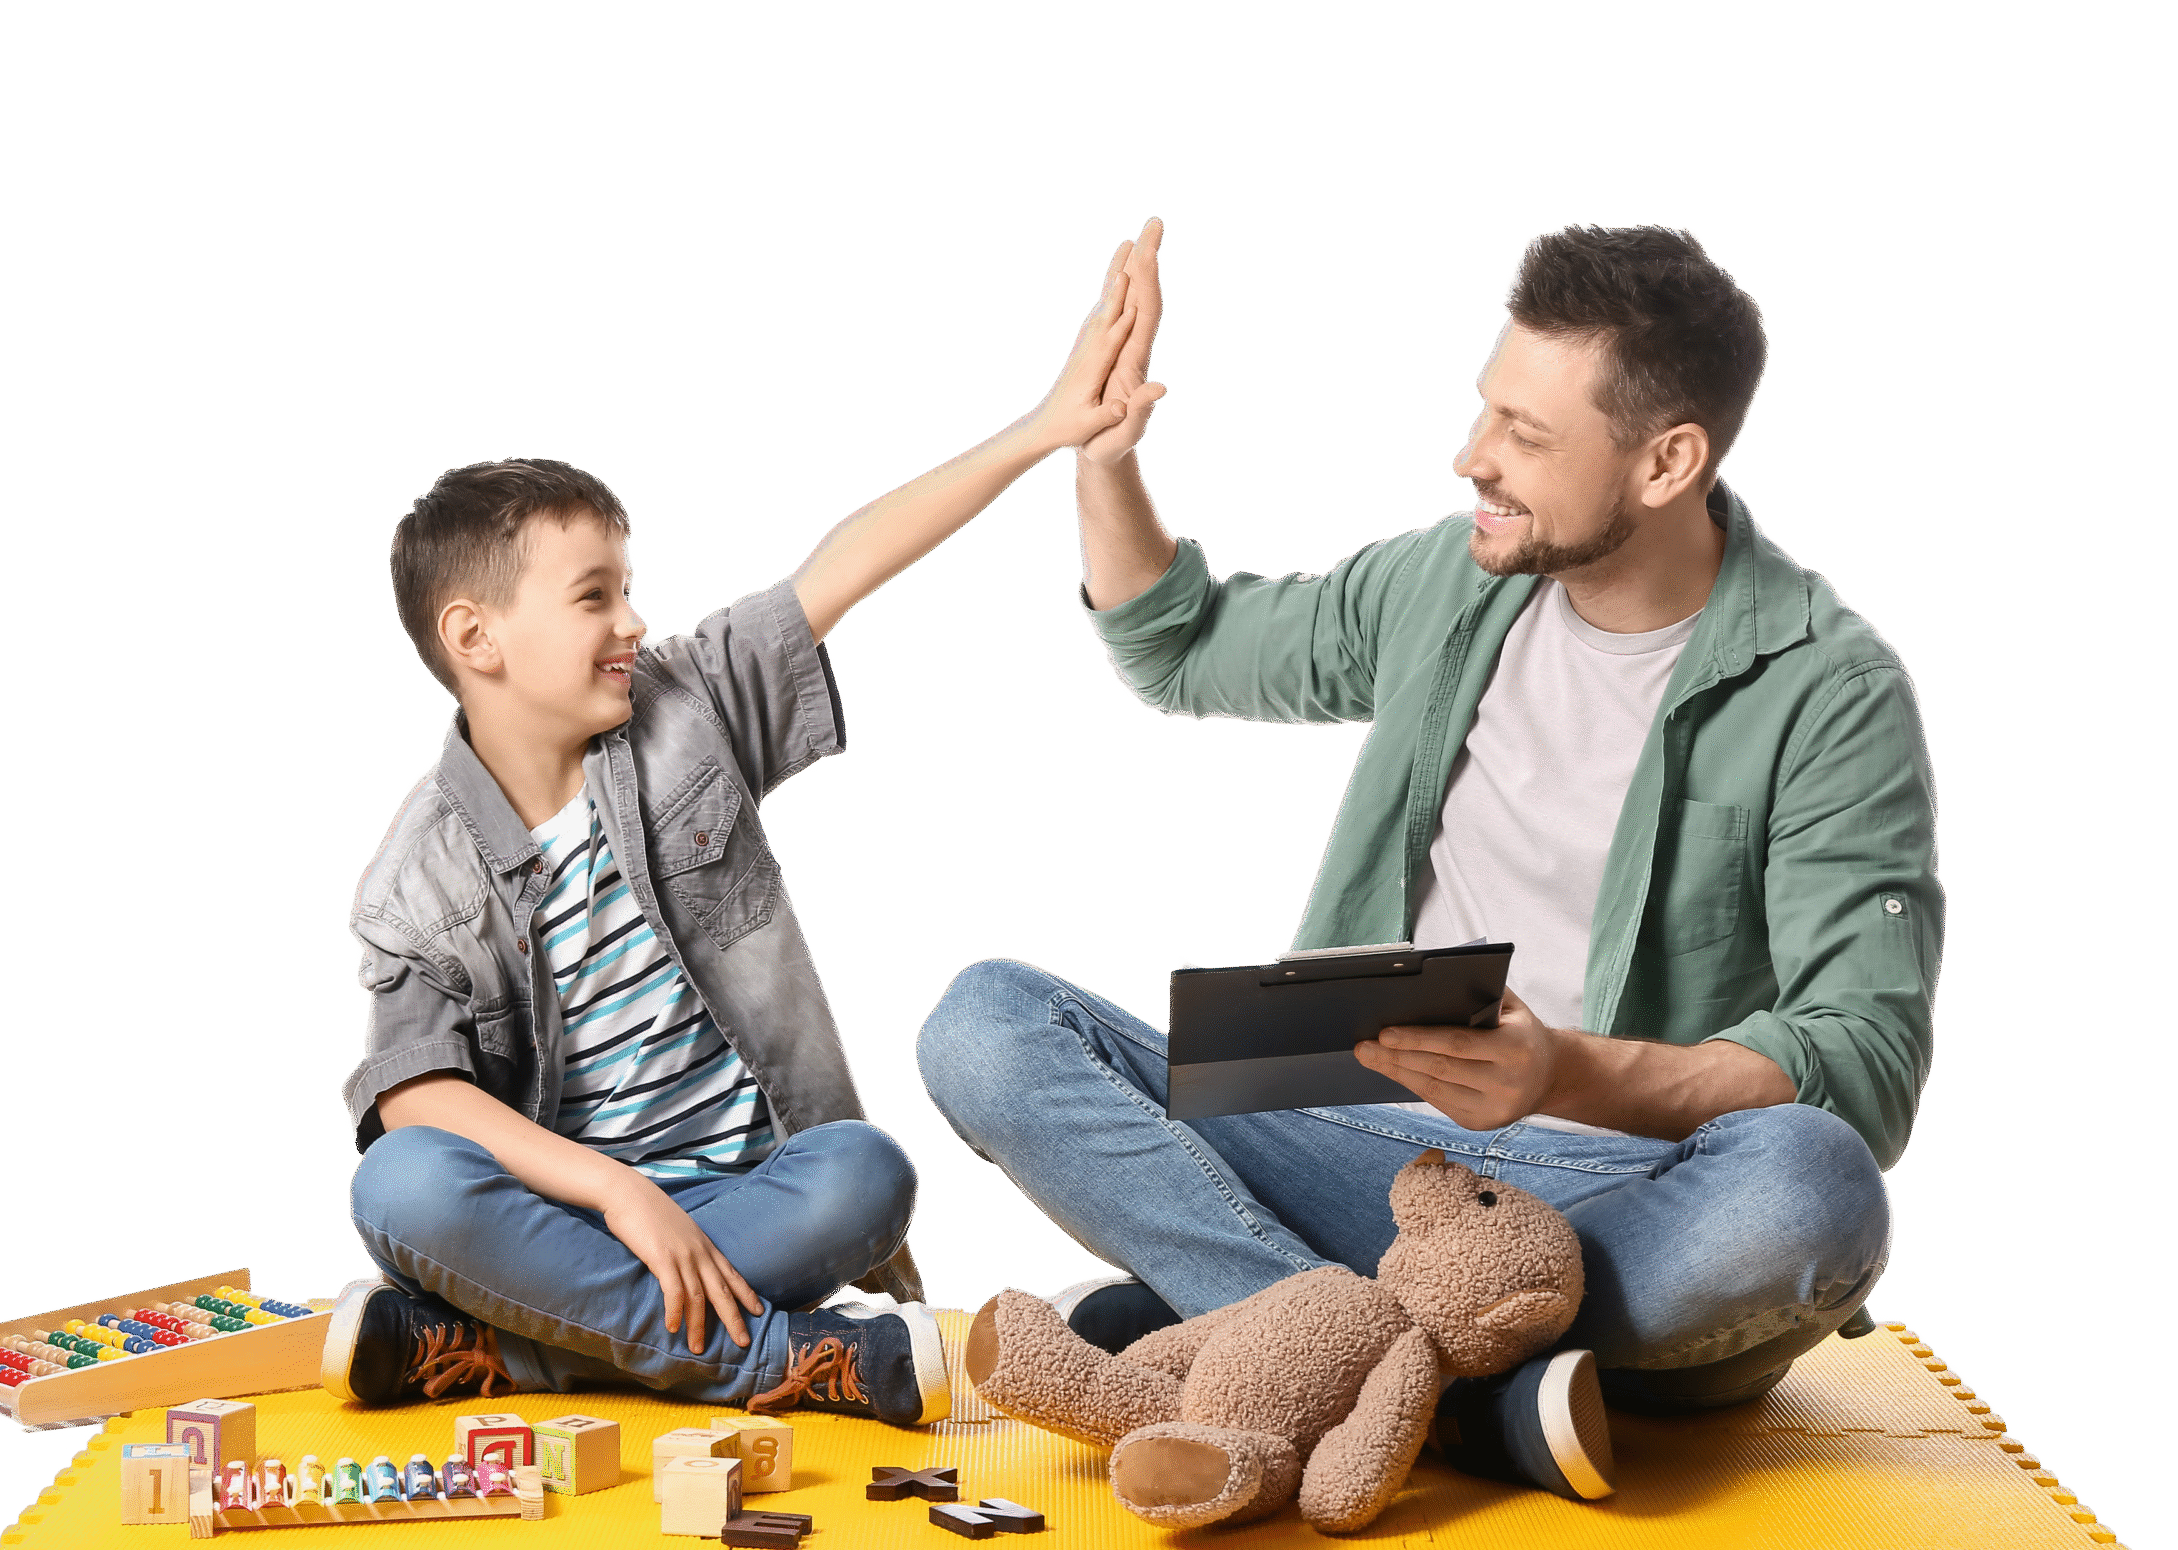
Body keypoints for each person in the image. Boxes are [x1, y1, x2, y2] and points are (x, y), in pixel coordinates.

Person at [917, 221, 1937, 1496]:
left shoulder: (1830, 686)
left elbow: (1864, 1060)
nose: (1472, 459)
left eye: (1527, 435)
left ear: (1669, 459)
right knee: (986, 1024)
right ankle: (1448, 1392)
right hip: (1362, 1146)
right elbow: (1180, 645)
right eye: (1483, 411)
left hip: (1608, 1191)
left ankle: (1253, 1328)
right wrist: (1104, 457)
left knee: (1815, 1188)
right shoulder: (1447, 582)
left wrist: (1560, 1068)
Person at [320, 227, 1169, 1426]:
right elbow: (417, 1100)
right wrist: (617, 1194)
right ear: (477, 639)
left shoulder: (685, 706)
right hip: (572, 1218)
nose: (634, 617)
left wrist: (1044, 426)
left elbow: (844, 562)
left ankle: (524, 1350)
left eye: (628, 584)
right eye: (593, 595)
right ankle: (769, 1360)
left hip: (751, 1196)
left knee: (868, 1171)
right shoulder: (420, 879)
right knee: (402, 1182)